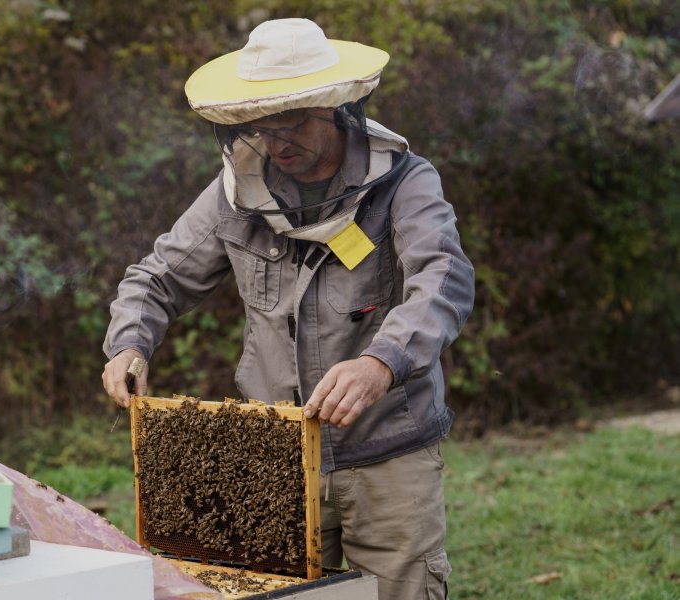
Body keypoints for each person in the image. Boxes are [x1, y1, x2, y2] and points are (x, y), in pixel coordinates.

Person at [102, 18, 473, 600]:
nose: (277, 144)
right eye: (259, 128)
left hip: (387, 454)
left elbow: (443, 278)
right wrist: (130, 341)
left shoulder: (403, 182)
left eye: (293, 123)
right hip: (276, 457)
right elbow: (157, 277)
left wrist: (381, 362)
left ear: (335, 108)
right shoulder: (236, 193)